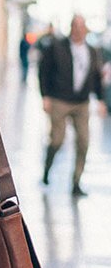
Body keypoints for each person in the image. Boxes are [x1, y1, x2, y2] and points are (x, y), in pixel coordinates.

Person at [38, 14, 106, 196]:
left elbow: (96, 76)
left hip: (82, 102)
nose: (79, 30)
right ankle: (47, 170)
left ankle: (76, 182)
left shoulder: (92, 50)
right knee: (57, 140)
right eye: (76, 26)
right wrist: (45, 96)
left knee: (84, 141)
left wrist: (100, 100)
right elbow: (44, 70)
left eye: (82, 26)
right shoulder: (57, 47)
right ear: (71, 28)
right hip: (60, 99)